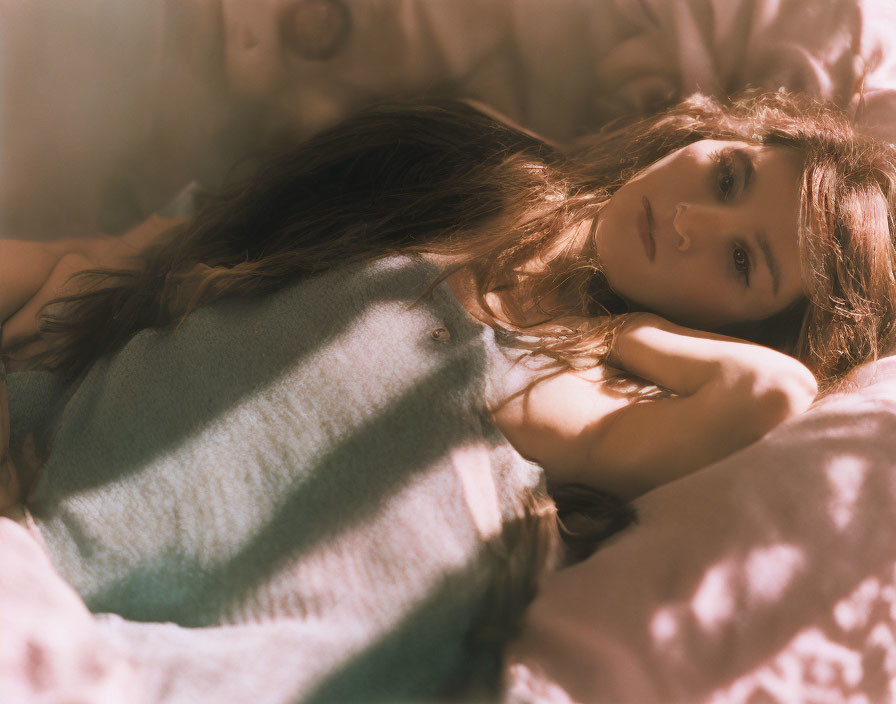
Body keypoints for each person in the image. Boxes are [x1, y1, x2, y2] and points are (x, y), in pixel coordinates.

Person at [0, 90, 893, 700]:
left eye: (742, 261)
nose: (695, 219)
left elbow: (771, 394)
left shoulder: (573, 388)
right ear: (712, 133)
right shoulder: (475, 165)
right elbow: (154, 251)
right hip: (60, 447)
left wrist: (634, 337)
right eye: (730, 174)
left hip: (142, 639)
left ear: (744, 326)